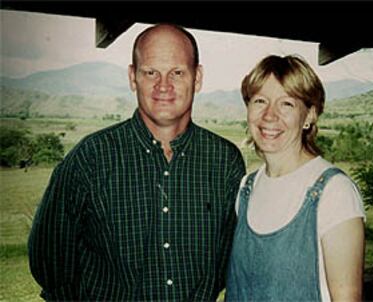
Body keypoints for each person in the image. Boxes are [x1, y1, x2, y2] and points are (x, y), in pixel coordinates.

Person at [28, 23, 246, 301]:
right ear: (133, 77)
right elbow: (51, 264)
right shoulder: (91, 157)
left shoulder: (224, 161)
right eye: (150, 72)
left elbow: (226, 263)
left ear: (198, 77)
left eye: (177, 73)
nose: (163, 85)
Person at [226, 55, 365, 301]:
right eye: (260, 101)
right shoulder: (247, 188)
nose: (269, 115)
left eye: (286, 104)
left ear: (309, 115)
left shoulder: (334, 192)